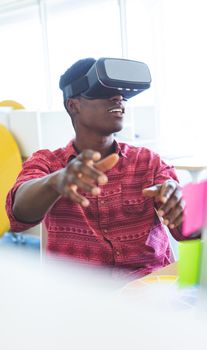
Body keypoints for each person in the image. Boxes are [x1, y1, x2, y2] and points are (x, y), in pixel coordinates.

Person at [6, 57, 187, 278]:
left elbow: (188, 233)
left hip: (149, 293)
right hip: (84, 298)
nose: (118, 97)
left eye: (121, 93)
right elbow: (18, 214)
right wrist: (56, 181)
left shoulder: (149, 163)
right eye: (104, 91)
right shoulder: (47, 163)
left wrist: (183, 206)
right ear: (73, 105)